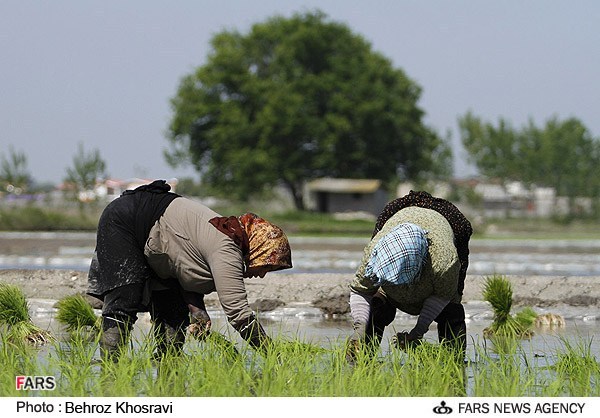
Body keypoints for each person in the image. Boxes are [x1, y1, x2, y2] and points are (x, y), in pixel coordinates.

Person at [87, 179, 292, 360]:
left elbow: (184, 265)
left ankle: (166, 365)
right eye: (268, 265)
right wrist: (272, 355)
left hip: (159, 238)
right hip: (127, 220)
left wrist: (196, 309)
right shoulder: (227, 248)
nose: (263, 273)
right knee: (125, 298)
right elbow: (238, 313)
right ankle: (110, 364)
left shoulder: (228, 235)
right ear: (259, 248)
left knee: (173, 310)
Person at [347, 190, 472, 360]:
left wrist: (418, 332)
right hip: (398, 216)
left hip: (444, 224)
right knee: (376, 308)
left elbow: (441, 296)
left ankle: (455, 363)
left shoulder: (443, 261)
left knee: (452, 312)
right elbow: (360, 290)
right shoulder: (375, 251)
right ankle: (360, 359)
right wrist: (359, 328)